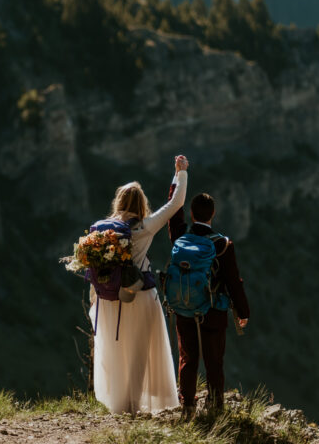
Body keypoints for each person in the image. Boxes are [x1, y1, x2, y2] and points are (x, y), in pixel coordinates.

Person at [90, 156, 188, 415]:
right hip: (140, 296)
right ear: (141, 203)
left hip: (108, 299)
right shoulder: (144, 227)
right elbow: (176, 204)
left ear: (119, 202)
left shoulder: (103, 230)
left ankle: (118, 405)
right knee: (139, 353)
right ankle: (133, 406)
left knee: (115, 351)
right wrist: (180, 173)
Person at [167, 175, 250, 415]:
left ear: (192, 214)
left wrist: (178, 177)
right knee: (214, 360)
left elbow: (174, 212)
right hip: (213, 311)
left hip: (184, 307)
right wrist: (243, 312)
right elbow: (234, 282)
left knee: (187, 358)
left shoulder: (180, 237)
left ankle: (188, 406)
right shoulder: (222, 244)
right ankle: (215, 407)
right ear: (212, 215)